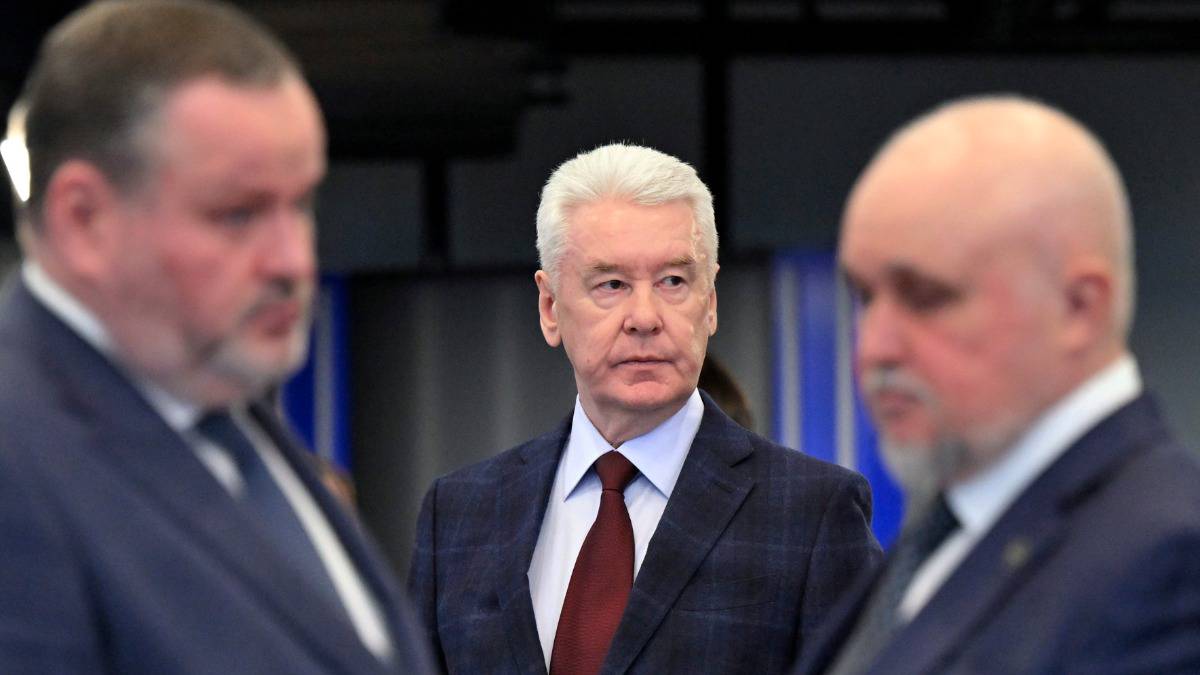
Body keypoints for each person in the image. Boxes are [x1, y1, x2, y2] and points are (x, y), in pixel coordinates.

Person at [0, 1, 430, 672]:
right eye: (238, 214)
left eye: (301, 204)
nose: (293, 261)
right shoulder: (19, 464)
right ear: (83, 219)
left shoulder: (219, 406)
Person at [408, 142, 882, 674]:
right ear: (550, 307)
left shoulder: (813, 515)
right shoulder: (459, 514)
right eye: (611, 285)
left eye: (673, 282)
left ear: (710, 302)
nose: (645, 317)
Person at [799, 96, 1200, 675]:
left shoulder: (1171, 564)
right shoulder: (948, 531)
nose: (874, 347)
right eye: (865, 296)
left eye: (927, 296)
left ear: (1079, 308)